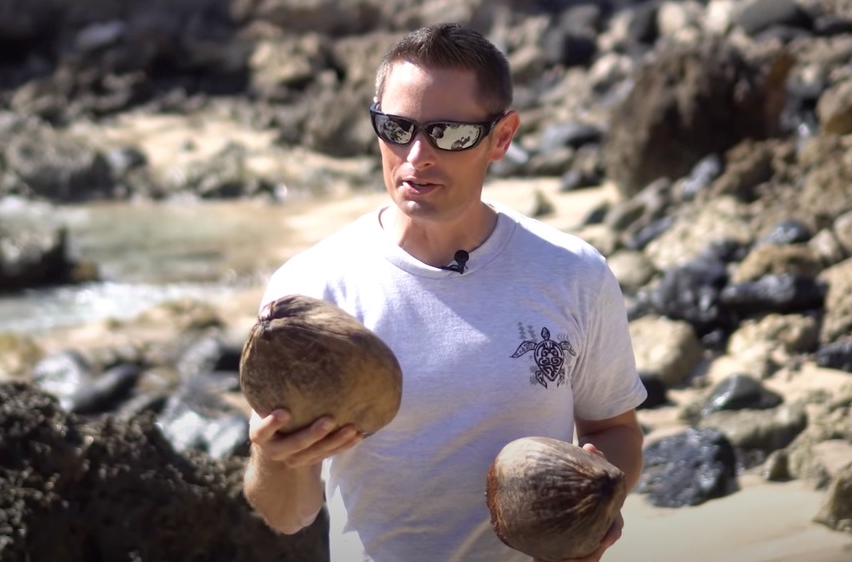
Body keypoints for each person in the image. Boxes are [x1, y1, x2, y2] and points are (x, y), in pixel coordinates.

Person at [243, 22, 647, 562]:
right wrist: (273, 460)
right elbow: (288, 516)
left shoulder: (572, 273)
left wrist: (596, 510)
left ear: (501, 137)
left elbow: (613, 428)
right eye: (395, 127)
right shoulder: (313, 290)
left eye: (449, 133)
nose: (415, 157)